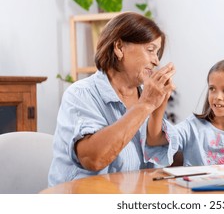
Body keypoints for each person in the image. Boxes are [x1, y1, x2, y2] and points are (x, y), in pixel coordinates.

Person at [48, 12, 176, 187]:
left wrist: (157, 109)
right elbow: (93, 159)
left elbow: (156, 160)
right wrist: (146, 105)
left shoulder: (146, 95)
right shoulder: (80, 94)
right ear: (119, 47)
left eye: (157, 53)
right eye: (150, 50)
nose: (156, 61)